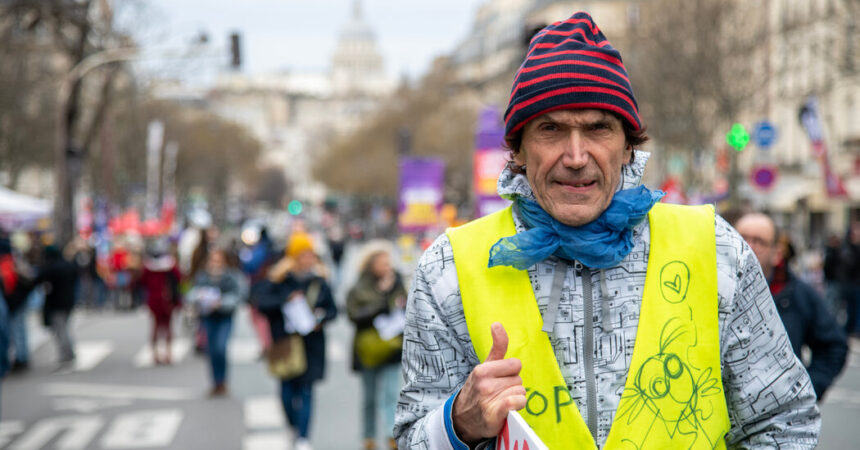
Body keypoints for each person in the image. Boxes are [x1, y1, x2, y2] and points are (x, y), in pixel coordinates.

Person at [394, 12, 819, 449]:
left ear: (627, 146)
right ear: (518, 149)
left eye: (598, 128)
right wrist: (458, 422)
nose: (576, 156)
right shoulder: (449, 266)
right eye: (551, 129)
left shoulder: (716, 249)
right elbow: (412, 438)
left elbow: (785, 421)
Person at [735, 213, 847, 400]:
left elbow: (834, 346)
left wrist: (805, 391)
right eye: (741, 238)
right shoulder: (710, 287)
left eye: (759, 241)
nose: (748, 246)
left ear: (776, 253)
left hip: (776, 417)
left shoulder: (798, 294)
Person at [258, 233, 337, 450]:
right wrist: (286, 300)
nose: (307, 259)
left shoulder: (320, 281)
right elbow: (262, 304)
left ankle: (303, 437)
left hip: (312, 344)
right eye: (303, 255)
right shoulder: (278, 280)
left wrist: (321, 318)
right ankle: (293, 424)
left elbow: (333, 310)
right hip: (286, 343)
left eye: (310, 255)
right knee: (286, 392)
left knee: (307, 391)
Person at [346, 242, 407, 450]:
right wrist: (382, 298)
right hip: (368, 350)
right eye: (382, 263)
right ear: (371, 264)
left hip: (392, 349)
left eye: (388, 263)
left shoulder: (397, 283)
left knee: (391, 393)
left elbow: (407, 309)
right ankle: (368, 437)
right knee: (369, 397)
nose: (386, 267)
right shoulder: (359, 287)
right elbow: (354, 315)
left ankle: (391, 434)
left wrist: (397, 297)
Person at [188, 248, 246, 396]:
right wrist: (200, 297)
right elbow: (191, 294)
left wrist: (222, 303)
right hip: (208, 317)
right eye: (213, 260)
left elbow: (239, 295)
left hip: (224, 316)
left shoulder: (231, 277)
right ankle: (216, 382)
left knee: (221, 347)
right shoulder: (202, 276)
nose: (215, 263)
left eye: (218, 260)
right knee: (212, 350)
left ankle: (223, 380)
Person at [137, 240, 182, 365]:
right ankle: (167, 352)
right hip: (166, 300)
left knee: (156, 327)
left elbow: (142, 282)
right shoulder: (170, 265)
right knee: (167, 327)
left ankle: (156, 353)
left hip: (155, 300)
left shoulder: (148, 267)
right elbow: (179, 278)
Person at [33, 245, 79, 368]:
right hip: (69, 301)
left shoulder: (51, 267)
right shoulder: (68, 265)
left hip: (57, 303)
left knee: (61, 329)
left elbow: (37, 279)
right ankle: (68, 353)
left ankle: (66, 355)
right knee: (64, 328)